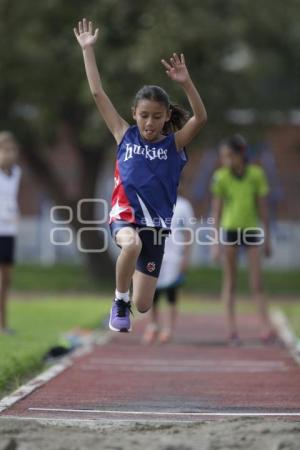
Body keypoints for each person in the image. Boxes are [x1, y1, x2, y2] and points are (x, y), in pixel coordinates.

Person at [74, 18, 207, 332]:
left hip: (157, 227)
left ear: (165, 118)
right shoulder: (124, 134)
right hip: (124, 218)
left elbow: (200, 118)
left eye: (157, 117)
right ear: (134, 113)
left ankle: (130, 291)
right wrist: (88, 50)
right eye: (144, 115)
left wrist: (186, 83)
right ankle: (119, 300)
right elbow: (97, 93)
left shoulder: (174, 145)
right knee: (130, 245)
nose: (149, 123)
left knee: (145, 304)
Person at [210, 134, 275, 344]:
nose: (225, 160)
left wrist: (268, 238)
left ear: (240, 154)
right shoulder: (221, 177)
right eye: (223, 157)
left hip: (251, 230)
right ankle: (232, 330)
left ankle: (265, 327)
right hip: (230, 231)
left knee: (257, 282)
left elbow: (263, 208)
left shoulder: (256, 174)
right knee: (230, 282)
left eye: (229, 156)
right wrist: (214, 242)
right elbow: (216, 212)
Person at [142, 193, 194, 344]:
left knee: (171, 294)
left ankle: (168, 329)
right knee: (152, 293)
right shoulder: (151, 201)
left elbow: (189, 233)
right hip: (154, 254)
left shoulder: (183, 205)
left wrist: (186, 256)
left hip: (174, 257)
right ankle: (153, 326)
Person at [0, 131, 22, 335]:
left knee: (6, 281)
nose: (9, 154)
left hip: (9, 231)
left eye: (12, 150)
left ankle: (3, 324)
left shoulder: (16, 173)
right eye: (5, 150)